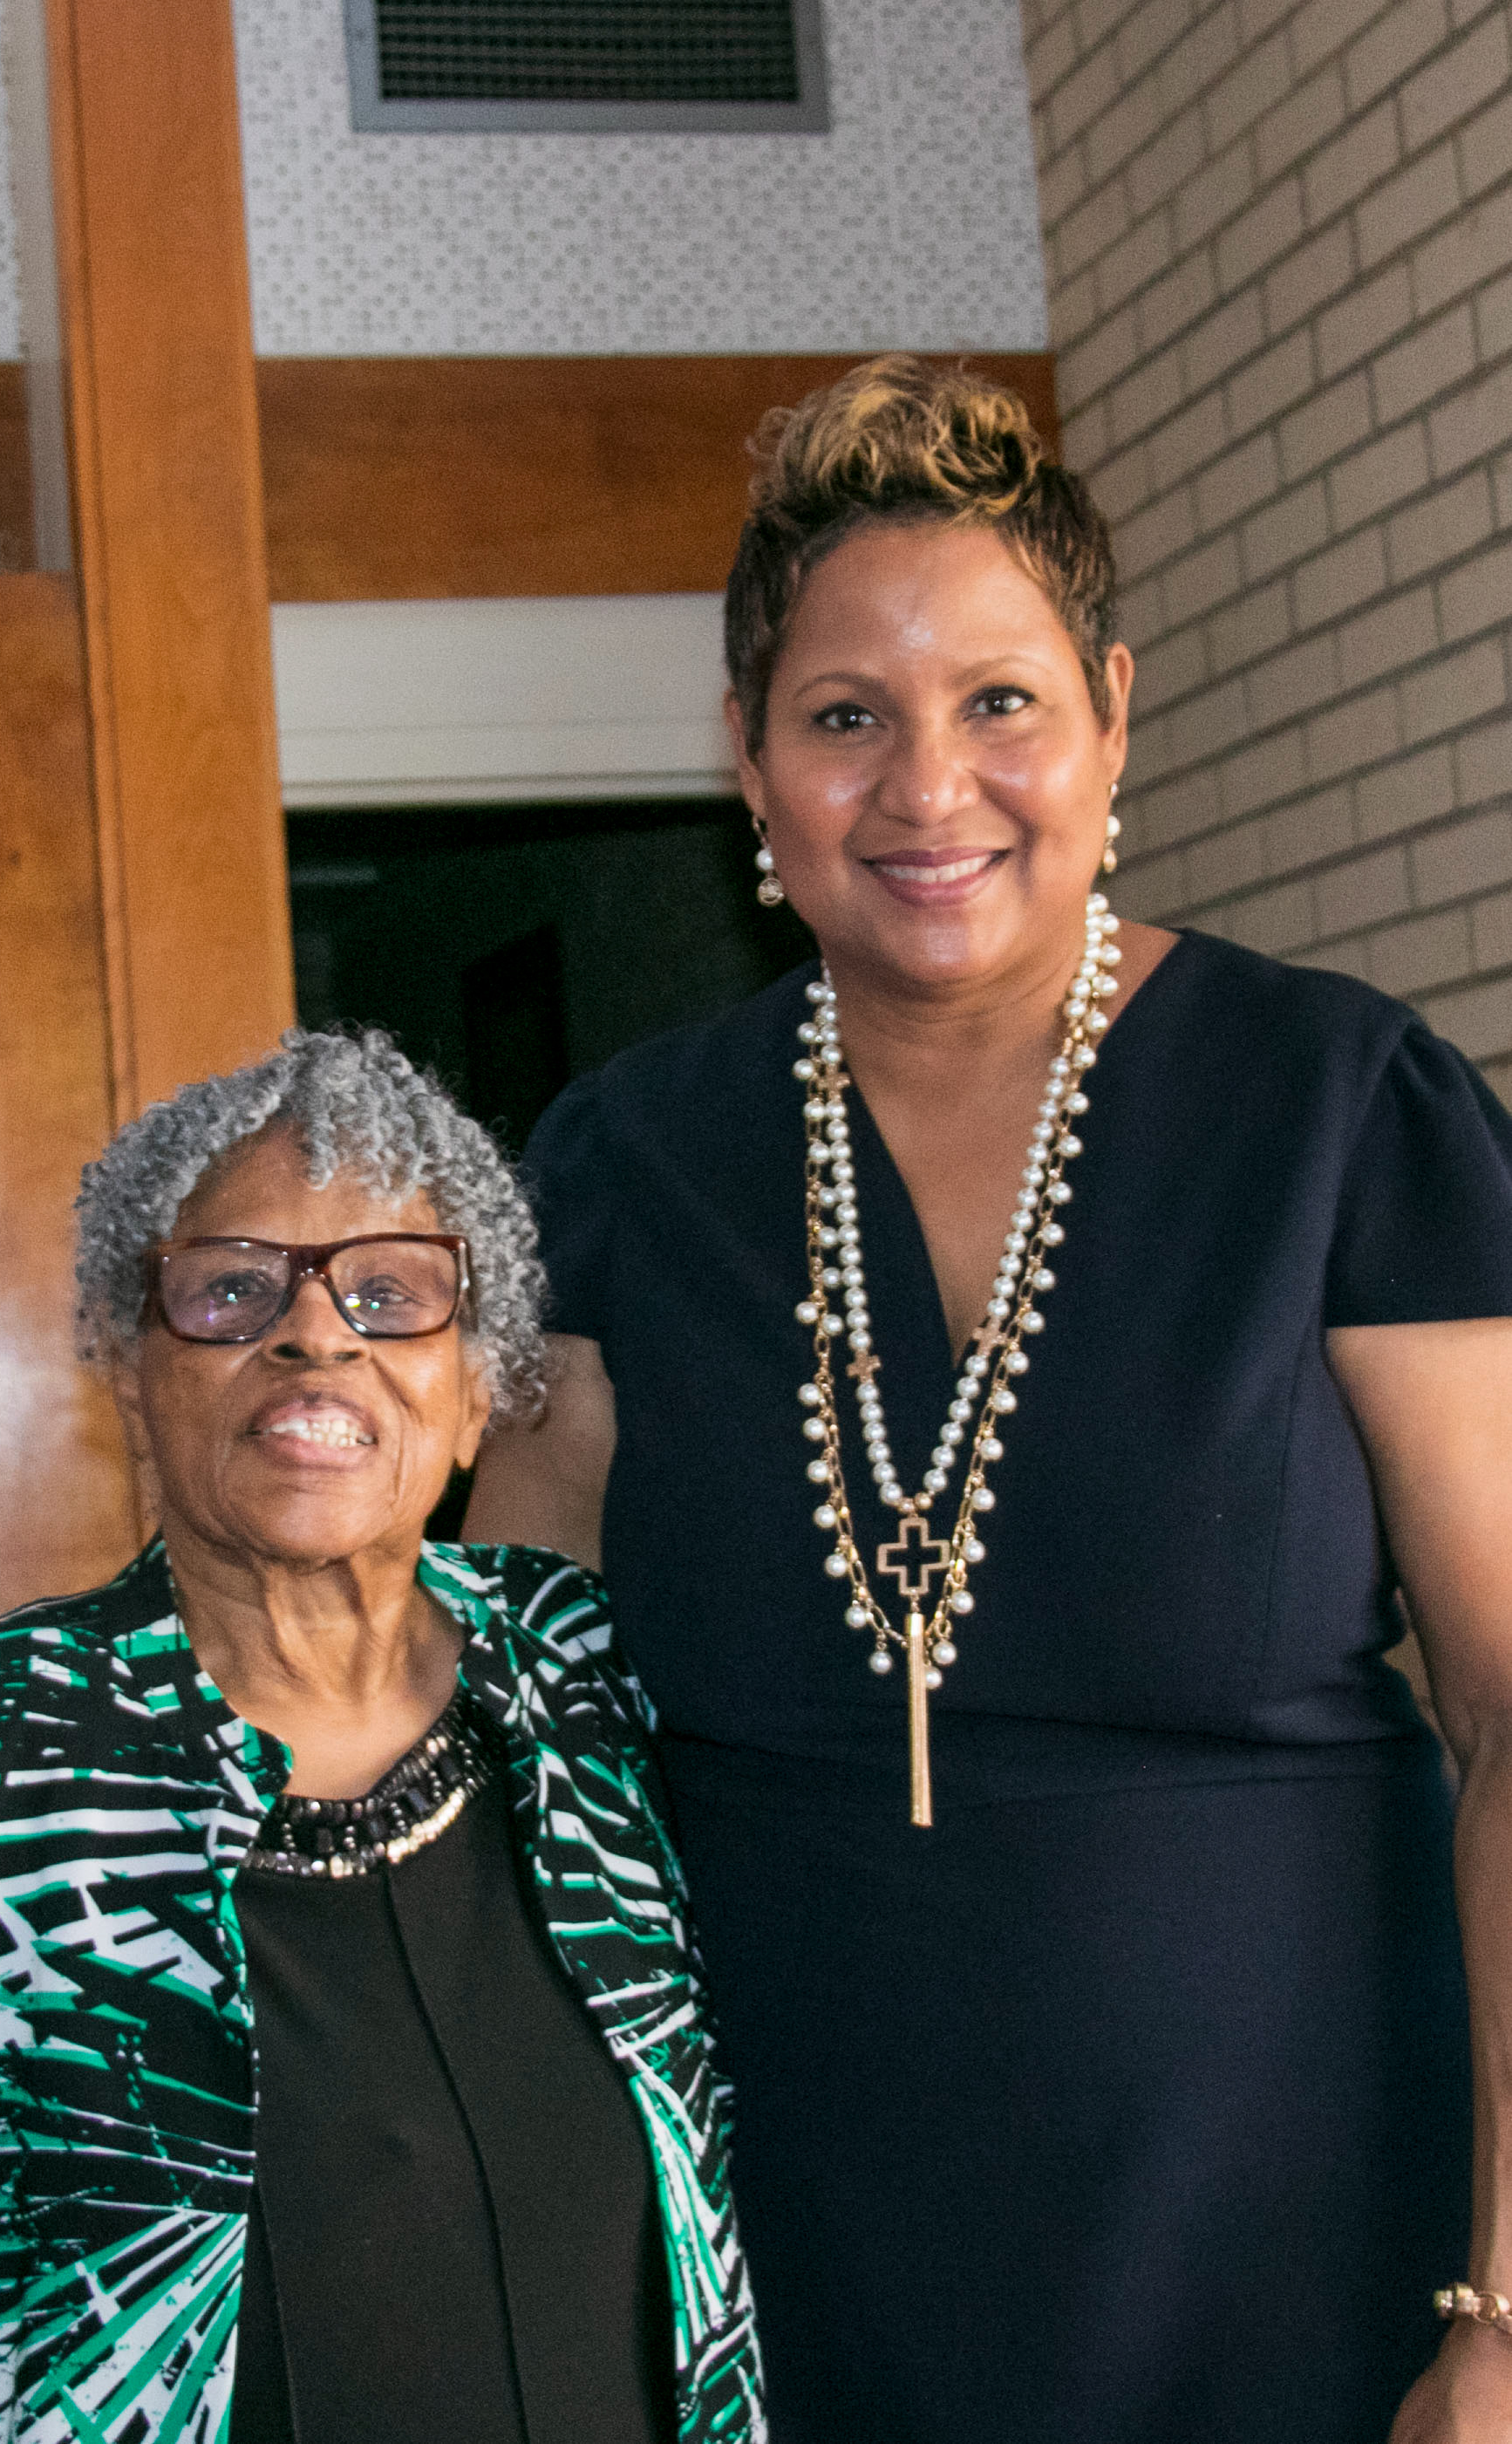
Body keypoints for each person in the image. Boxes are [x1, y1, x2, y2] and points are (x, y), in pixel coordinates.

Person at [466, 356, 1512, 2444]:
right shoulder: (618, 1165)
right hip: (792, 2268)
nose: (928, 786)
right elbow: (520, 1743)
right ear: (749, 761)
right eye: (845, 716)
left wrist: (1505, 2313)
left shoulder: (1340, 1106)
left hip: (1315, 2243)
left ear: (1112, 715)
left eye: (1001, 701)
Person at [0, 1030, 763, 2444]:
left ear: (479, 1389)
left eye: (389, 1294)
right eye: (231, 1289)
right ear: (129, 1370)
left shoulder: (590, 1675)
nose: (315, 1336)